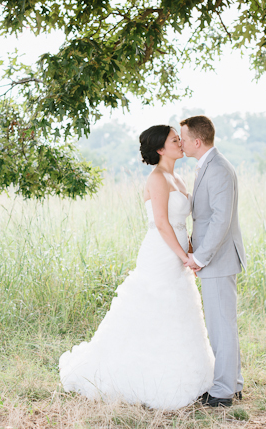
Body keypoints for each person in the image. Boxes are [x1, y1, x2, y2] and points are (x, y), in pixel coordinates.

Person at [59, 124, 215, 410]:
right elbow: (161, 223)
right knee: (152, 307)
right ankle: (140, 375)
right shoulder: (157, 178)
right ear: (160, 149)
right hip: (161, 254)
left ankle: (183, 371)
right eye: (174, 140)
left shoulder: (177, 177)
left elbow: (183, 221)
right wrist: (183, 255)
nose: (181, 142)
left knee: (178, 309)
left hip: (178, 253)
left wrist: (191, 250)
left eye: (179, 138)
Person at [179, 115, 246, 408]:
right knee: (222, 325)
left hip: (217, 259)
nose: (179, 142)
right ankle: (233, 383)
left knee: (222, 327)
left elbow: (221, 220)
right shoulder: (206, 166)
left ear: (196, 141)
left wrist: (200, 257)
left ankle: (222, 392)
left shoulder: (218, 168)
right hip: (213, 258)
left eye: (182, 137)